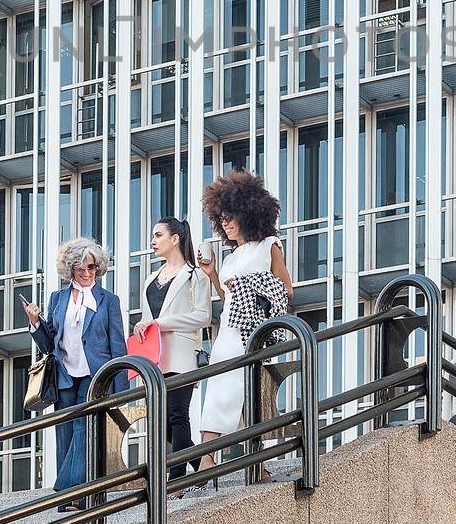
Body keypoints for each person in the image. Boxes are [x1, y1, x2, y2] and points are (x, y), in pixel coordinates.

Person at [195, 170, 294, 475]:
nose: (225, 223)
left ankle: (214, 459)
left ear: (249, 214)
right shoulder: (229, 257)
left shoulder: (269, 245)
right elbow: (228, 301)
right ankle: (235, 461)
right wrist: (213, 275)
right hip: (229, 329)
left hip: (253, 332)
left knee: (240, 390)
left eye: (231, 216)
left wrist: (248, 283)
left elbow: (286, 288)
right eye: (221, 218)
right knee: (226, 389)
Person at [23, 237, 128, 505]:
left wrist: (122, 390)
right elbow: (49, 344)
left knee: (84, 428)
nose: (86, 272)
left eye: (91, 267)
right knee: (66, 434)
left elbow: (118, 346)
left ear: (98, 268)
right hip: (65, 376)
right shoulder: (57, 298)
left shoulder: (108, 301)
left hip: (96, 376)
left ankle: (67, 491)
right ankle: (74, 497)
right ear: (70, 268)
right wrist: (35, 323)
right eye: (80, 267)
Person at [138, 216, 212, 477]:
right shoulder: (150, 279)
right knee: (164, 421)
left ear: (175, 239)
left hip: (182, 354)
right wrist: (143, 325)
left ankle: (176, 478)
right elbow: (150, 318)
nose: (153, 241)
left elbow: (203, 316)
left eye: (158, 235)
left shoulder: (195, 276)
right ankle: (201, 464)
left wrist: (162, 322)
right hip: (155, 357)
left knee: (178, 414)